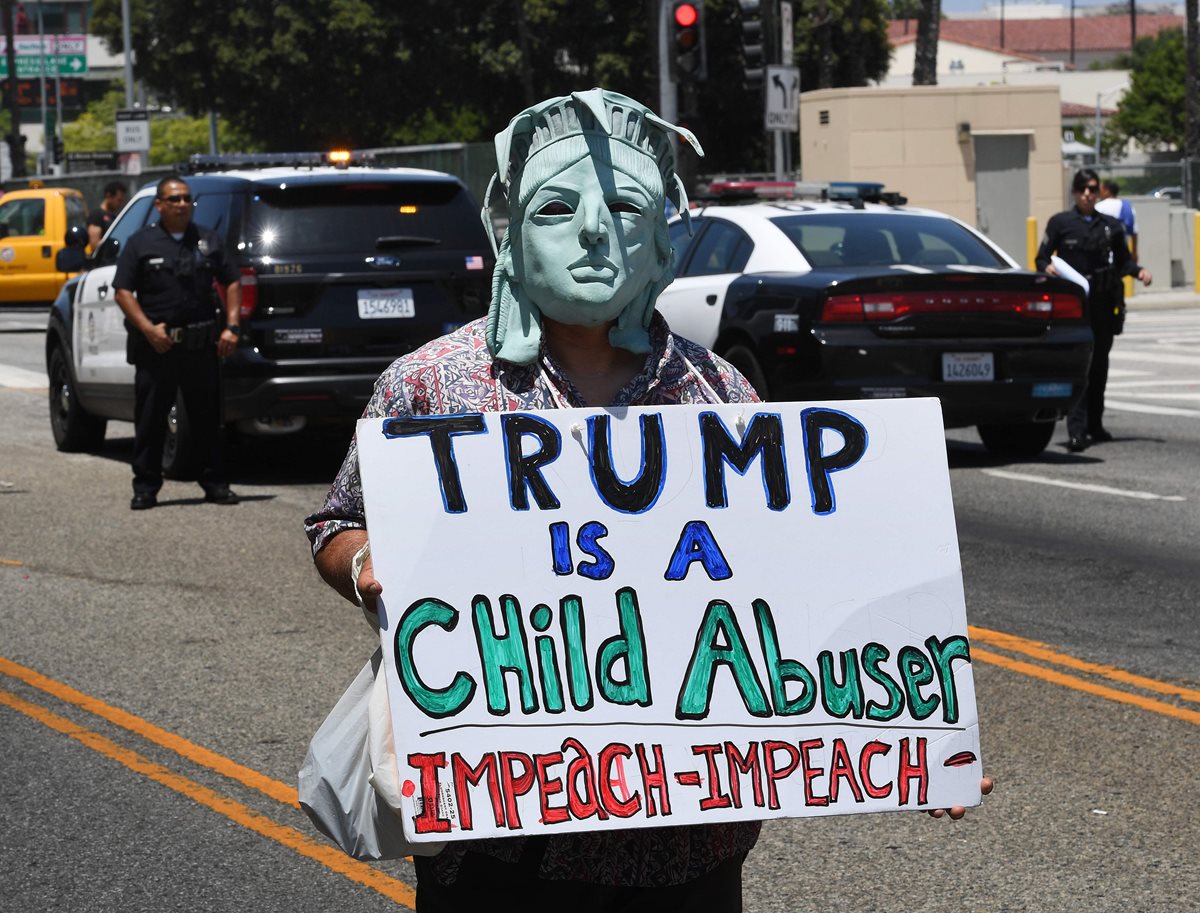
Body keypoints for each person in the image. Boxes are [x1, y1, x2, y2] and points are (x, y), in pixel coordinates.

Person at [305, 89, 991, 912]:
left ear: (661, 246)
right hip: (497, 844)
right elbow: (338, 522)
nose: (595, 231)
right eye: (557, 206)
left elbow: (807, 587)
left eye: (626, 206)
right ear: (509, 234)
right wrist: (366, 564)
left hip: (683, 855)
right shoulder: (430, 385)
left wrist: (908, 743)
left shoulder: (722, 396)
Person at [113, 175, 242, 510]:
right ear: (160, 205)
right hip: (158, 347)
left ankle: (215, 483)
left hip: (201, 346)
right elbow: (123, 290)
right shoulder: (141, 243)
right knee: (151, 419)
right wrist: (147, 329)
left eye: (186, 199)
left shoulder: (207, 239)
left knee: (207, 419)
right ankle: (145, 487)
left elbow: (232, 281)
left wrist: (232, 326)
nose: (182, 204)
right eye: (174, 199)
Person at [1036, 168, 1151, 452]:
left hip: (1103, 303)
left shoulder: (1110, 226)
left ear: (1099, 192)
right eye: (1082, 189)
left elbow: (1124, 262)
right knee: (1081, 366)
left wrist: (1139, 272)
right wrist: (1047, 267)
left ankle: (1095, 425)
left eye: (1092, 189)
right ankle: (1076, 431)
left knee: (1100, 365)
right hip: (1075, 306)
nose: (1087, 194)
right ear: (1074, 193)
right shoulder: (1061, 223)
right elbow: (1042, 257)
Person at [87, 180, 129, 250]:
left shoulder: (115, 217)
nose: (120, 204)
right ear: (108, 196)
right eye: (118, 200)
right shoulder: (97, 215)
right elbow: (94, 245)